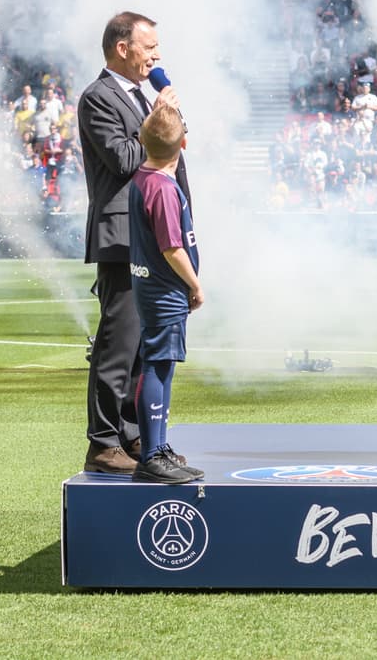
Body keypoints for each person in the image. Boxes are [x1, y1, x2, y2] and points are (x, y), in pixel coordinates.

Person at [78, 11, 190, 475]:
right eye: (150, 47)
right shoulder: (98, 97)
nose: (157, 55)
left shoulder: (140, 97)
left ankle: (134, 436)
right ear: (122, 48)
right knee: (117, 345)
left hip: (146, 236)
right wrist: (161, 120)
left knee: (143, 347)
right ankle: (104, 444)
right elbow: (124, 157)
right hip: (122, 237)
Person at [128, 106, 205, 483]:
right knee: (157, 365)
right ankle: (151, 454)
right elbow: (172, 247)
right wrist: (194, 284)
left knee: (162, 363)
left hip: (153, 286)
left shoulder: (144, 176)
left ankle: (158, 447)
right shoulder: (160, 187)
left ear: (142, 141)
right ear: (184, 144)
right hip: (164, 289)